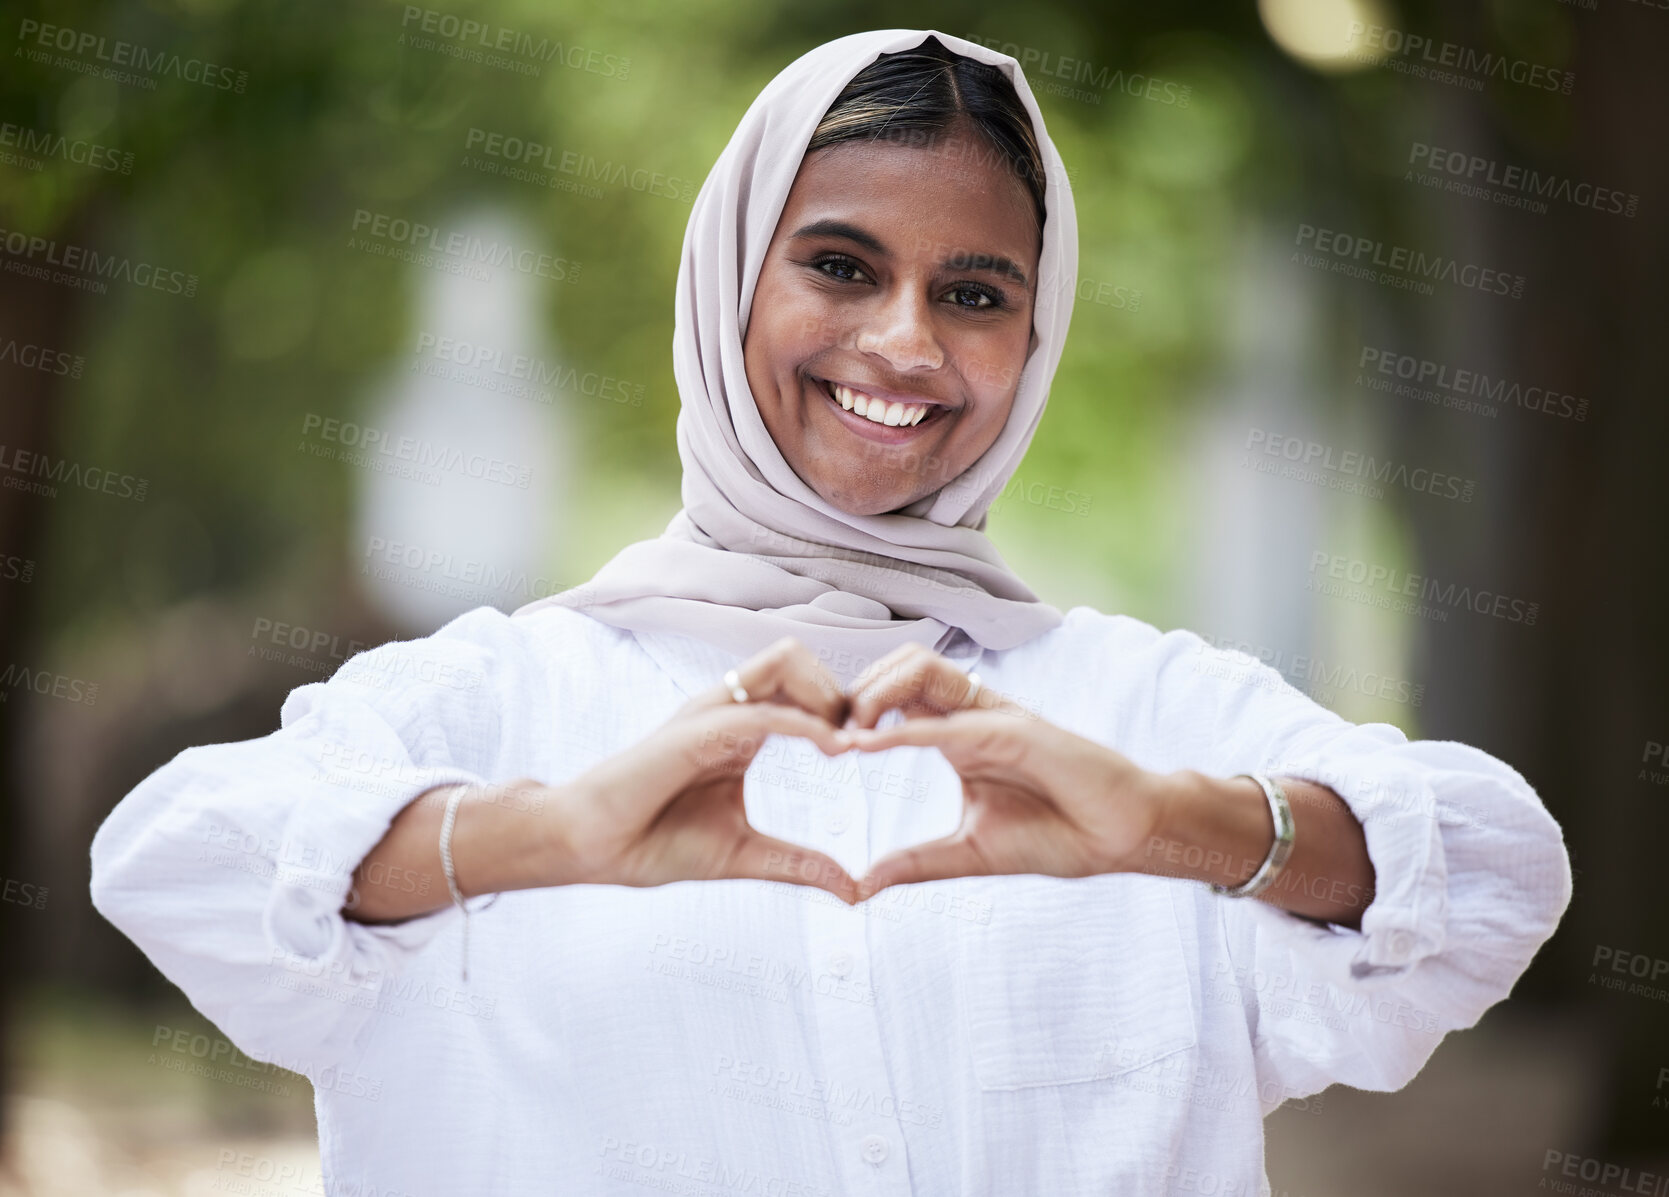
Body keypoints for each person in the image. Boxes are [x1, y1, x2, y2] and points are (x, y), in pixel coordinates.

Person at [90, 28, 1572, 1196]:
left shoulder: (1139, 706)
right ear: (729, 280)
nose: (903, 341)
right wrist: (542, 837)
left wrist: (1168, 824)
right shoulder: (500, 695)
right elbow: (174, 862)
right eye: (841, 264)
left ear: (1033, 336)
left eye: (976, 293)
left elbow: (1493, 872)